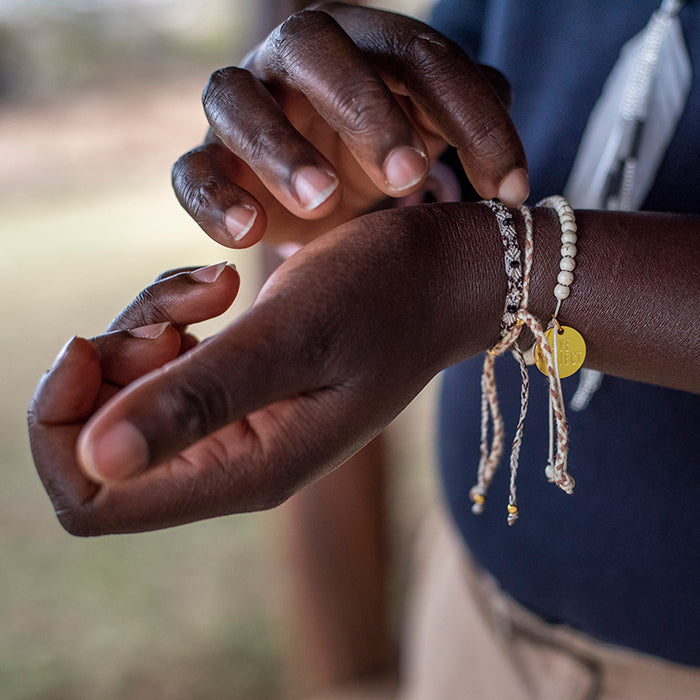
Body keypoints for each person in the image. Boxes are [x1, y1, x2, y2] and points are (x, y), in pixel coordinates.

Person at [28, 2, 700, 698]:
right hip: (470, 619)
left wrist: (472, 275)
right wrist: (368, 178)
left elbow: (472, 263)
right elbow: (491, 107)